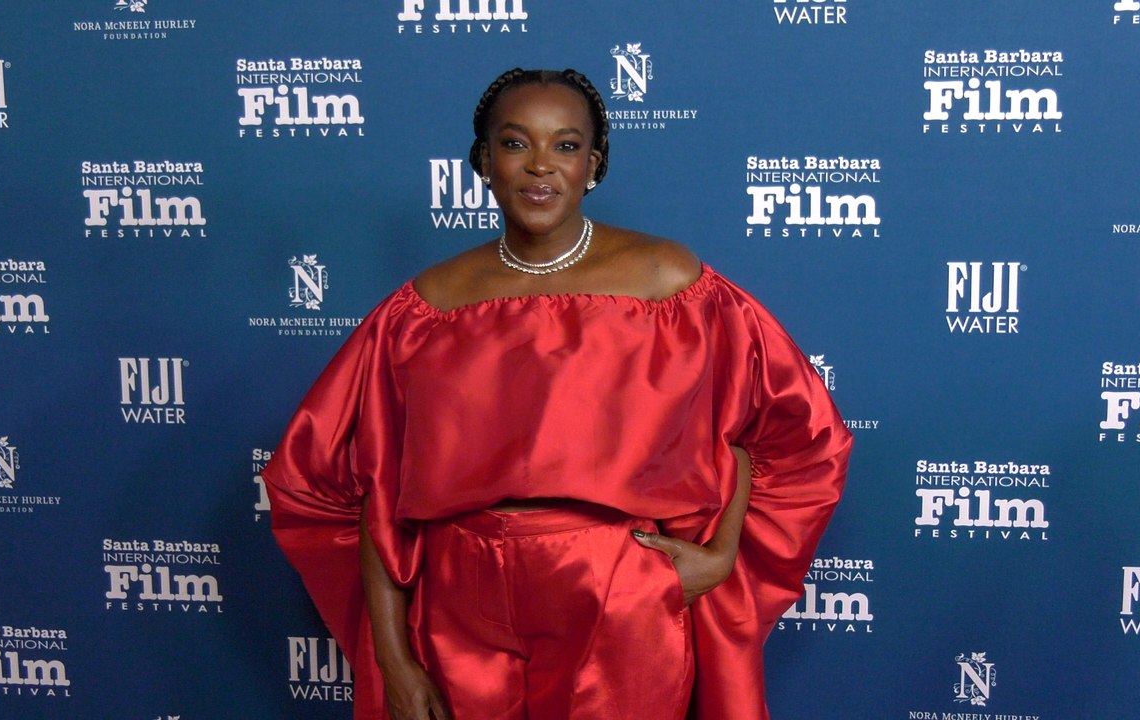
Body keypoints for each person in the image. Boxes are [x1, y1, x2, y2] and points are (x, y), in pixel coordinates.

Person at [262, 68, 852, 720]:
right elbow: (373, 486)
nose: (540, 166)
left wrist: (719, 557)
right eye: (516, 144)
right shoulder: (425, 307)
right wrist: (393, 659)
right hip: (459, 598)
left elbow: (756, 430)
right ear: (484, 160)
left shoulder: (666, 281)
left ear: (593, 163)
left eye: (566, 146)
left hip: (614, 587)